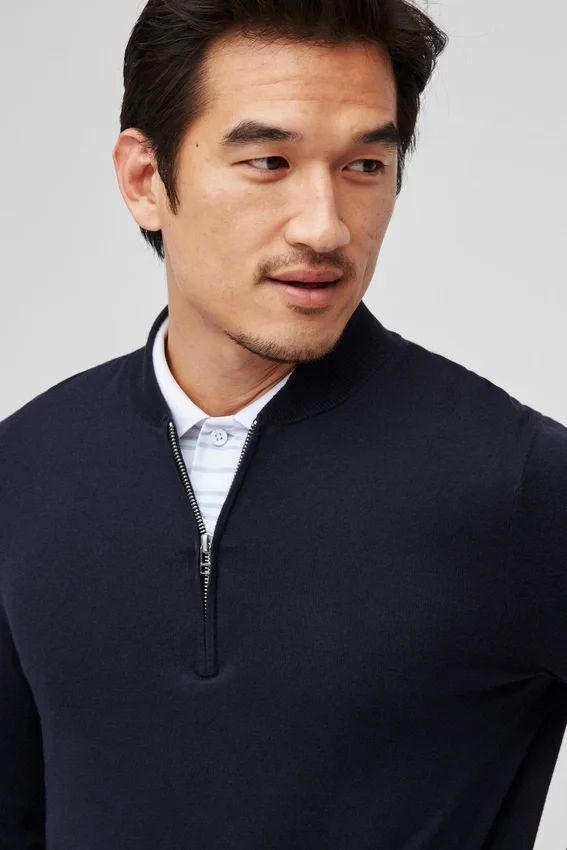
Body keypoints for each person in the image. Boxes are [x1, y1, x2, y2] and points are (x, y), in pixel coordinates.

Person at [1, 0, 566, 848]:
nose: (325, 226)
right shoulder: (24, 466)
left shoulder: (518, 483)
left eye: (365, 165)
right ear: (146, 179)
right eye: (268, 161)